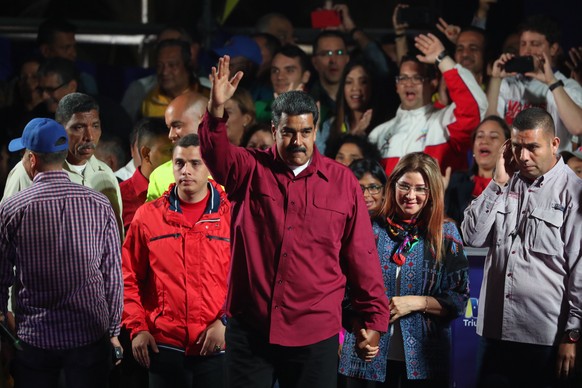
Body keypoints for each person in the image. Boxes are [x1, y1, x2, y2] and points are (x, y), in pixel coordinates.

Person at [199, 55, 389, 388]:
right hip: (251, 331)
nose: (297, 141)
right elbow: (216, 154)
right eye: (288, 132)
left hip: (315, 332)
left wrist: (373, 318)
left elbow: (361, 255)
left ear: (316, 130)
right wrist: (216, 110)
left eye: (305, 132)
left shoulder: (343, 182)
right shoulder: (249, 169)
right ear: (274, 130)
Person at [461, 107, 582, 387]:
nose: (523, 156)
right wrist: (497, 182)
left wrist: (573, 334)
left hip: (545, 338)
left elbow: (579, 268)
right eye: (517, 147)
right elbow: (472, 238)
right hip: (493, 334)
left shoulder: (573, 192)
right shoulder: (504, 183)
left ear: (554, 144)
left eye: (532, 147)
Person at [0, 117, 122, 388]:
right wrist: (113, 332)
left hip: (35, 341)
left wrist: (4, 329)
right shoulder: (98, 204)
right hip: (90, 337)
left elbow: (1, 278)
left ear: (32, 159)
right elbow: (112, 274)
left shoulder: (12, 209)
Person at [339, 152, 470, 388]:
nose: (411, 196)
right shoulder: (369, 228)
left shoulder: (446, 234)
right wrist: (360, 331)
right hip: (367, 357)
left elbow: (459, 298)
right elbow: (346, 290)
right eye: (405, 186)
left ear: (432, 193)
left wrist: (417, 302)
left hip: (426, 361)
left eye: (421, 188)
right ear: (393, 185)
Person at [123, 133, 230, 388]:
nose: (186, 171)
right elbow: (128, 276)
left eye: (196, 163)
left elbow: (248, 280)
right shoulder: (148, 217)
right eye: (179, 163)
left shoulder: (232, 217)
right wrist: (138, 328)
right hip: (163, 346)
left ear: (210, 167)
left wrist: (225, 321)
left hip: (216, 345)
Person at [2, 93, 124, 238]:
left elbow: (117, 235)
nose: (89, 136)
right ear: (59, 129)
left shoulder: (106, 174)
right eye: (78, 127)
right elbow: (5, 231)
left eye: (95, 126)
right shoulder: (28, 170)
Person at [368, 33, 487, 175]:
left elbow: (476, 106)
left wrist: (442, 59)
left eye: (416, 78)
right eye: (403, 78)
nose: (408, 84)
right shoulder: (378, 134)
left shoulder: (445, 121)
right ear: (396, 86)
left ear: (433, 83)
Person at [486, 15, 582, 152]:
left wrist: (551, 82)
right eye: (523, 44)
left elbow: (578, 127)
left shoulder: (567, 85)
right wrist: (495, 79)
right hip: (514, 167)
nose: (527, 50)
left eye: (535, 44)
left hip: (551, 170)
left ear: (553, 49)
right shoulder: (508, 84)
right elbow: (490, 126)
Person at [445, 116, 510, 228]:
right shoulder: (457, 180)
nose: (484, 141)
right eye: (480, 136)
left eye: (493, 137)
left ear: (507, 147)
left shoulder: (518, 185)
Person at [316, 60, 390, 154]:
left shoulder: (384, 127)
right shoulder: (331, 125)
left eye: (363, 82)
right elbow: (323, 163)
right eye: (349, 82)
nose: (355, 88)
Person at [146, 91, 208, 201]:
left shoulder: (233, 168)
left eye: (177, 126)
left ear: (204, 121)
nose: (171, 135)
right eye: (169, 127)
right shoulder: (160, 176)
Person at [120, 117, 172, 232]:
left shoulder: (184, 192)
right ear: (146, 154)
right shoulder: (119, 198)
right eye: (169, 151)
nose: (176, 157)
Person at [36, 17, 98, 95]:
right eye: (65, 48)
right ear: (46, 51)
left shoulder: (85, 81)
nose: (73, 53)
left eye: (73, 47)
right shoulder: (30, 80)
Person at [142, 39, 200, 118]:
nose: (164, 72)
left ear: (188, 66)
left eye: (172, 65)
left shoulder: (208, 98)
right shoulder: (149, 102)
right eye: (159, 65)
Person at [254, 44, 311, 123]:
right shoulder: (256, 109)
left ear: (305, 76)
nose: (280, 77)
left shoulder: (321, 113)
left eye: (289, 70)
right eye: (275, 71)